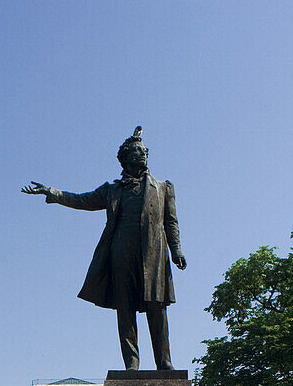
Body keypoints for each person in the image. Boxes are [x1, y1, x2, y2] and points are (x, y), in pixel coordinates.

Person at [22, 126, 186, 371]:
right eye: (136, 152)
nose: (141, 155)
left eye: (143, 152)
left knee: (157, 308)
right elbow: (81, 200)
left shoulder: (163, 188)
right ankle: (132, 363)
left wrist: (177, 250)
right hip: (121, 253)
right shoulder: (112, 190)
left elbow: (170, 221)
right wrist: (53, 193)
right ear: (125, 158)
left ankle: (164, 363)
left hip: (153, 255)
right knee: (126, 309)